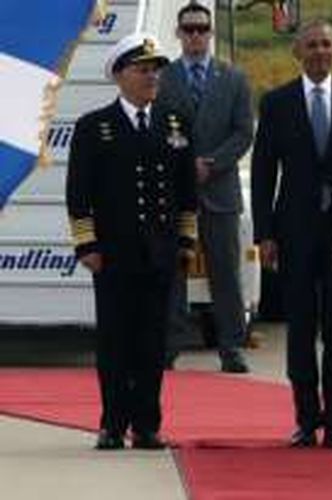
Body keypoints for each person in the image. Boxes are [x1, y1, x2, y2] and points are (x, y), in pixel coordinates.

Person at [66, 33, 197, 450]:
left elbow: (186, 189)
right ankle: (112, 422)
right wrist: (87, 247)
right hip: (114, 254)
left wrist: (186, 240)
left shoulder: (174, 122)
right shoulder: (95, 127)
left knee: (152, 341)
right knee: (115, 340)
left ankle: (146, 424)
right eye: (143, 70)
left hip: (159, 253)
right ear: (120, 74)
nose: (152, 77)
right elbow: (78, 193)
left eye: (156, 69)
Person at [251, 19, 332, 448]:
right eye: (312, 45)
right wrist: (264, 233)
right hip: (295, 232)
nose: (320, 52)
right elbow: (264, 172)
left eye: (326, 45)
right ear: (297, 53)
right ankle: (306, 417)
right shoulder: (277, 102)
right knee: (300, 330)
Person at [158, 1, 254, 373]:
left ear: (211, 34)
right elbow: (157, 129)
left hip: (220, 190)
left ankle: (231, 345)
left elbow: (244, 132)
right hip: (177, 191)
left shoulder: (233, 78)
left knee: (226, 272)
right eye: (189, 29)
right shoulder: (163, 79)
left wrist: (211, 163)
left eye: (202, 29)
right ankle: (170, 344)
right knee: (173, 270)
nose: (196, 35)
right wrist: (185, 165)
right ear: (179, 34)